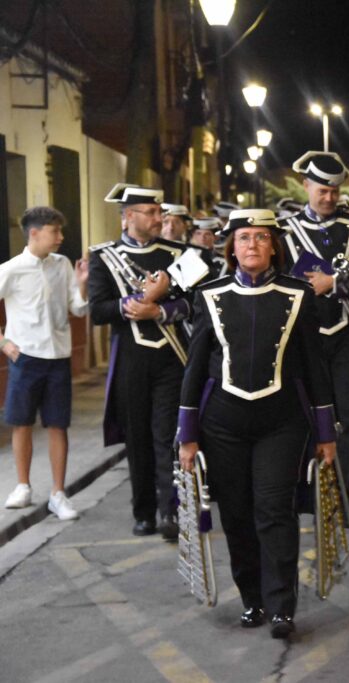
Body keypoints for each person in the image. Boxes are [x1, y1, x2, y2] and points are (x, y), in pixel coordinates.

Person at [177, 209, 336, 638]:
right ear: (232, 247)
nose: (252, 245)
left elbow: (315, 368)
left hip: (281, 423)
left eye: (261, 237)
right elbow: (194, 368)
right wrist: (187, 435)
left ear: (273, 246)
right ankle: (252, 599)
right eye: (244, 238)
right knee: (238, 515)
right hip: (222, 425)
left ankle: (282, 606)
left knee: (274, 511)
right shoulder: (208, 295)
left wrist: (326, 433)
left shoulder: (299, 294)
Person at [281, 151, 349, 532]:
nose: (329, 198)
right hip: (304, 337)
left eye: (335, 192)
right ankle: (310, 498)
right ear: (306, 186)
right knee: (305, 419)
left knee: (348, 421)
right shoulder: (287, 231)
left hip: (347, 335)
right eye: (322, 190)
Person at [89, 184, 191, 539]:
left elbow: (196, 303)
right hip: (130, 360)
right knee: (138, 439)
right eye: (150, 213)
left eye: (159, 212)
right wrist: (135, 303)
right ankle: (143, 511)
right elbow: (98, 311)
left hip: (170, 358)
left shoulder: (179, 253)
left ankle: (170, 511)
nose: (158, 218)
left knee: (167, 436)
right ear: (128, 216)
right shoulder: (103, 257)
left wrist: (160, 308)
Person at [1, 207, 89, 520]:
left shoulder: (62, 265)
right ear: (35, 233)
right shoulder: (11, 269)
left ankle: (58, 493)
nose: (61, 238)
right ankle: (22, 486)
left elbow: (78, 310)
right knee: (21, 422)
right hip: (25, 358)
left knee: (57, 424)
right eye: (55, 231)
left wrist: (82, 283)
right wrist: (4, 342)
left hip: (58, 358)